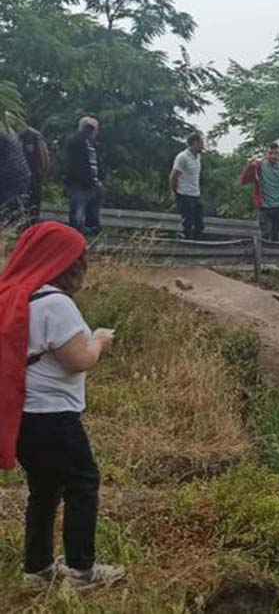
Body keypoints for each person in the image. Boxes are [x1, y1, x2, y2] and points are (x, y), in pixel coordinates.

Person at [0, 222, 124, 589]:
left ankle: (37, 568)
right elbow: (77, 360)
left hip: (23, 416)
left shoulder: (14, 294)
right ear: (67, 262)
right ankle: (81, 571)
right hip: (53, 417)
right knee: (83, 482)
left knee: (44, 488)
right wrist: (98, 340)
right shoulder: (56, 303)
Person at [239, 144, 279, 241]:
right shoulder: (258, 166)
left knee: (275, 235)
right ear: (266, 154)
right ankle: (264, 250)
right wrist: (249, 167)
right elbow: (243, 181)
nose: (273, 156)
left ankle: (274, 250)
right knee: (265, 234)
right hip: (264, 206)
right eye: (270, 153)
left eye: (276, 153)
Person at [64, 117, 103, 235]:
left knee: (93, 217)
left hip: (94, 185)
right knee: (77, 216)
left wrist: (99, 180)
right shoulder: (76, 142)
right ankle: (75, 237)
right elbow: (75, 165)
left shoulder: (93, 144)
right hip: (80, 185)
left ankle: (91, 237)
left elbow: (98, 163)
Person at [170, 133, 205, 240]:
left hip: (195, 193)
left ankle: (196, 243)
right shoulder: (182, 157)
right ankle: (186, 243)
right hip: (184, 194)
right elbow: (174, 176)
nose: (203, 145)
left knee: (199, 224)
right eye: (201, 143)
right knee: (187, 223)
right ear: (194, 143)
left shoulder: (197, 157)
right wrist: (174, 192)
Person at [0, 125, 30, 226]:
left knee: (7, 209)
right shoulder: (5, 129)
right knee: (14, 208)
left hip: (10, 178)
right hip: (19, 175)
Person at [19, 123, 50, 221]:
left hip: (28, 175)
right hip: (33, 175)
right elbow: (44, 158)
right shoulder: (35, 136)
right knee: (32, 204)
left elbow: (43, 157)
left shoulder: (33, 136)